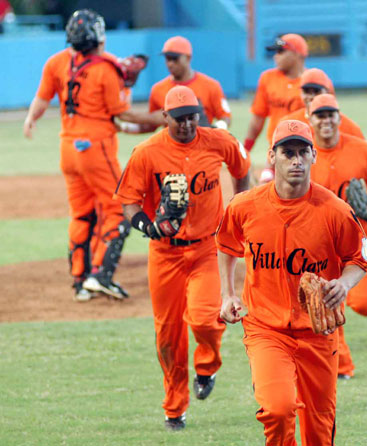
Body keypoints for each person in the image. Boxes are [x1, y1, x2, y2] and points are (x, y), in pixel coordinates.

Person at [216, 119, 367, 445]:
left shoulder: (336, 211)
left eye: (303, 152)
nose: (296, 160)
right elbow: (226, 246)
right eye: (288, 152)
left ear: (314, 156)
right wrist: (227, 295)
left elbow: (360, 258)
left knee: (319, 429)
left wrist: (343, 283)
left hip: (319, 331)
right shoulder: (245, 206)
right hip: (265, 329)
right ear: (272, 157)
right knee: (277, 409)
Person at [114, 85, 251, 430]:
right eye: (179, 119)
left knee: (206, 318)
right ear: (165, 118)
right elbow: (129, 200)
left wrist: (240, 207)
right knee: (168, 334)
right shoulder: (147, 152)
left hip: (208, 248)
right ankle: (175, 407)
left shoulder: (220, 141)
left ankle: (207, 365)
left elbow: (240, 169)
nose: (187, 124)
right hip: (164, 254)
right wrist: (148, 225)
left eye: (192, 116)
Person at [23, 9, 164, 301]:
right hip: (96, 148)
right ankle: (101, 275)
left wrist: (30, 119)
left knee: (81, 214)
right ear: (98, 37)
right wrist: (161, 120)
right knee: (120, 208)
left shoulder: (56, 62)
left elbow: (42, 98)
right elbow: (122, 113)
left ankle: (80, 278)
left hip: (68, 148)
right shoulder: (106, 67)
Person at [308, 94, 367, 378]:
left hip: (362, 237)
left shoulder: (363, 150)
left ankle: (341, 360)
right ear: (310, 120)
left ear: (339, 116)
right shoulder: (305, 155)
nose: (326, 120)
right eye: (320, 115)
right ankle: (342, 365)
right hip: (322, 242)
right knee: (330, 301)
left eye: (330, 114)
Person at [258, 67, 365, 183]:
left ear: (328, 92)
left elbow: (363, 158)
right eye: (306, 91)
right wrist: (267, 174)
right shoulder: (289, 122)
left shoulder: (349, 127)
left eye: (316, 91)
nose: (311, 96)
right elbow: (275, 155)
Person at [121, 35, 231, 135]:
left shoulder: (210, 85)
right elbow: (152, 124)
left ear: (188, 58)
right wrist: (123, 127)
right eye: (167, 59)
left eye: (175, 58)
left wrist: (216, 129)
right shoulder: (158, 89)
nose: (170, 63)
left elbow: (225, 117)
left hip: (202, 146)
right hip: (172, 151)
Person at [242, 34, 307, 153]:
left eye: (281, 52)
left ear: (296, 54)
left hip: (307, 149)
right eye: (276, 52)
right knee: (267, 172)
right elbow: (258, 118)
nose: (276, 57)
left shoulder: (314, 81)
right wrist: (246, 149)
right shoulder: (267, 78)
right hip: (276, 149)